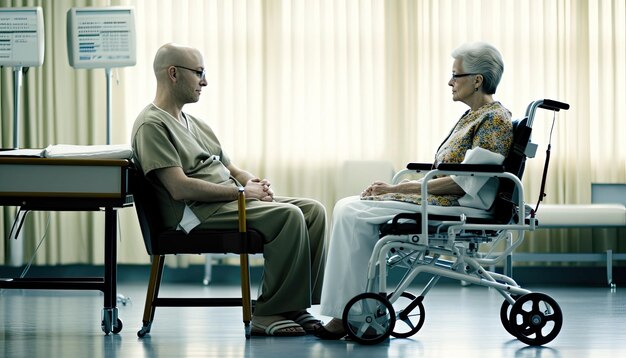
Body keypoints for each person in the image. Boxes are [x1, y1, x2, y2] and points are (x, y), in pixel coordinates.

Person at [315, 42, 513, 339]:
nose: (450, 81)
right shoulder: (474, 116)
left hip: (462, 204)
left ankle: (350, 313)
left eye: (455, 75)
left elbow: (466, 182)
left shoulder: (494, 120)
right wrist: (401, 190)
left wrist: (399, 188)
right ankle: (352, 307)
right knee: (348, 206)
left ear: (477, 80)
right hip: (447, 198)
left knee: (352, 211)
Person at [131, 43, 326, 337]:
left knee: (313, 210)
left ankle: (294, 306)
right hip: (195, 214)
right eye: (198, 73)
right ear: (173, 74)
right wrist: (241, 194)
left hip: (228, 201)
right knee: (289, 217)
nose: (205, 81)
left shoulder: (195, 123)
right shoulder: (152, 126)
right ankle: (268, 312)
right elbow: (179, 188)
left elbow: (232, 170)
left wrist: (254, 183)